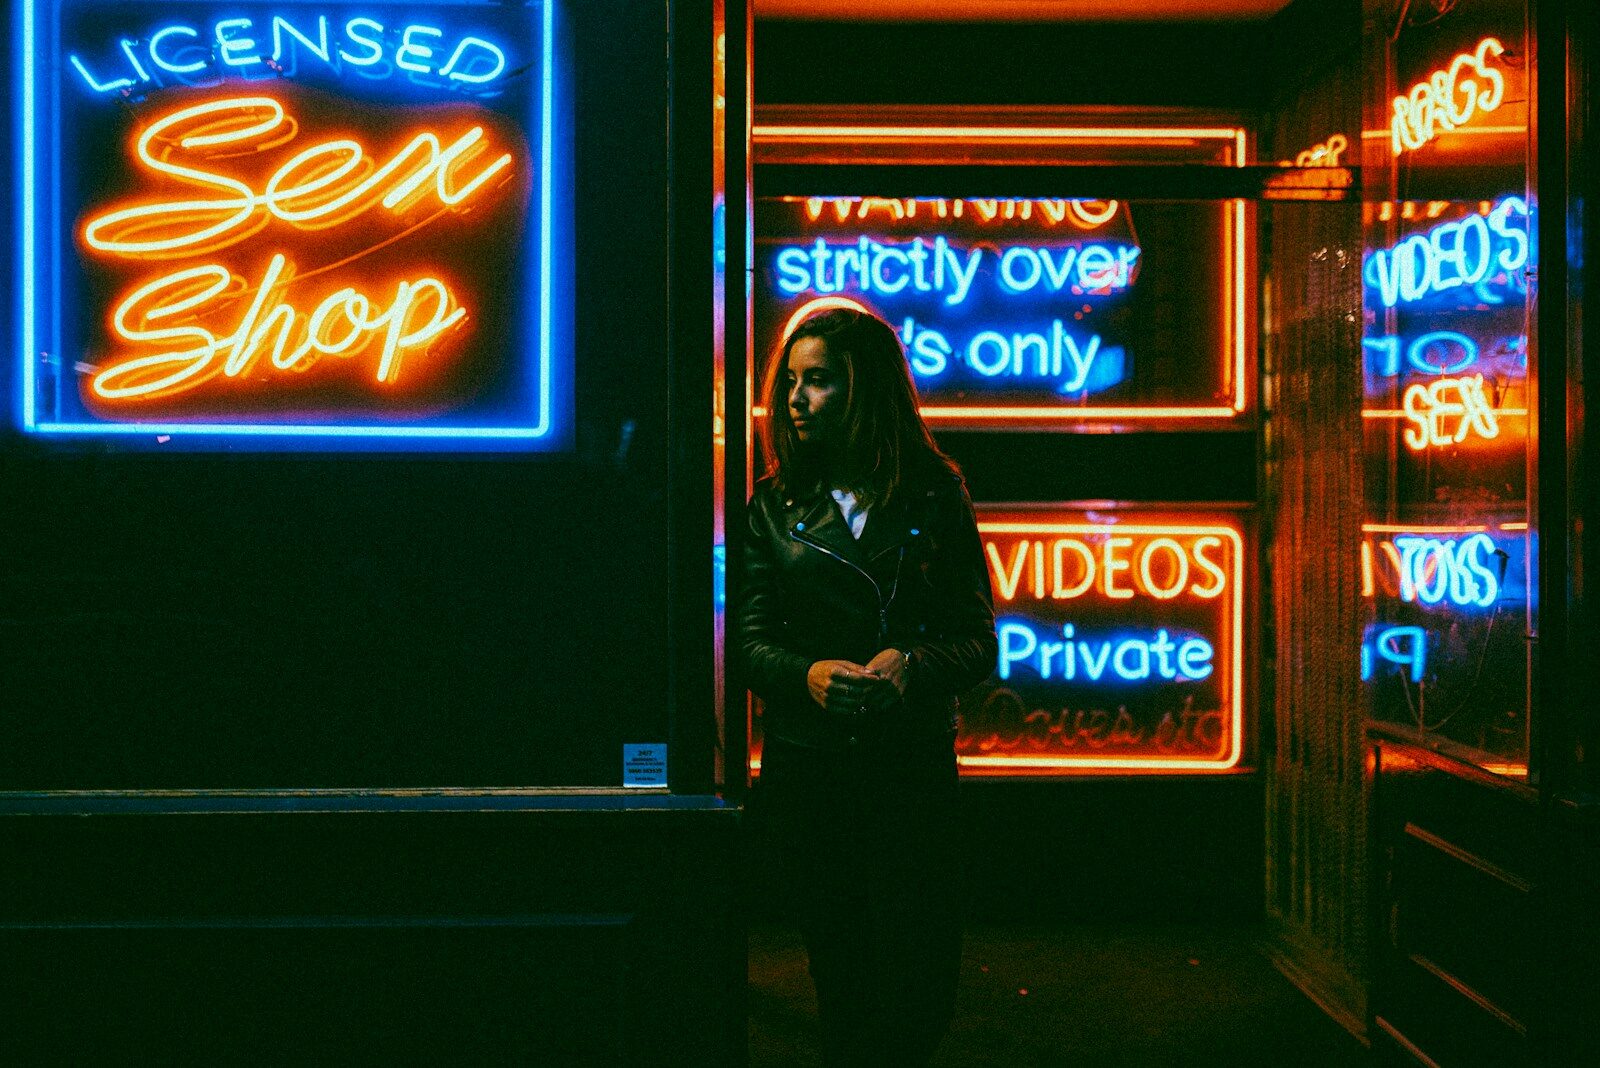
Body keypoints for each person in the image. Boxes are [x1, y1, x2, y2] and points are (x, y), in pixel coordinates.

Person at [738, 307, 998, 1066]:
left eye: (817, 381)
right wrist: (808, 676)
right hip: (812, 766)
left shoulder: (932, 492)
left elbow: (980, 639)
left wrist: (910, 668)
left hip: (908, 764)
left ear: (865, 390)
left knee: (921, 970)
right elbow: (749, 646)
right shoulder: (773, 505)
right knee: (839, 961)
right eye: (791, 381)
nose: (795, 398)